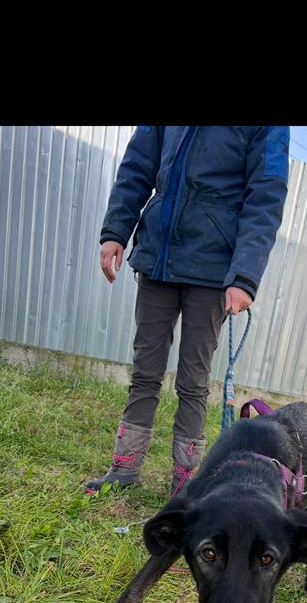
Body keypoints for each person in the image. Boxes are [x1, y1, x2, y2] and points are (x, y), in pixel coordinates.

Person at [85, 125, 290, 496]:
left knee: (193, 381)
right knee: (145, 370)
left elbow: (266, 196)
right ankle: (125, 468)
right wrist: (116, 230)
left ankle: (184, 483)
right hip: (158, 256)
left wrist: (244, 276)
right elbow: (138, 166)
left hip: (213, 270)